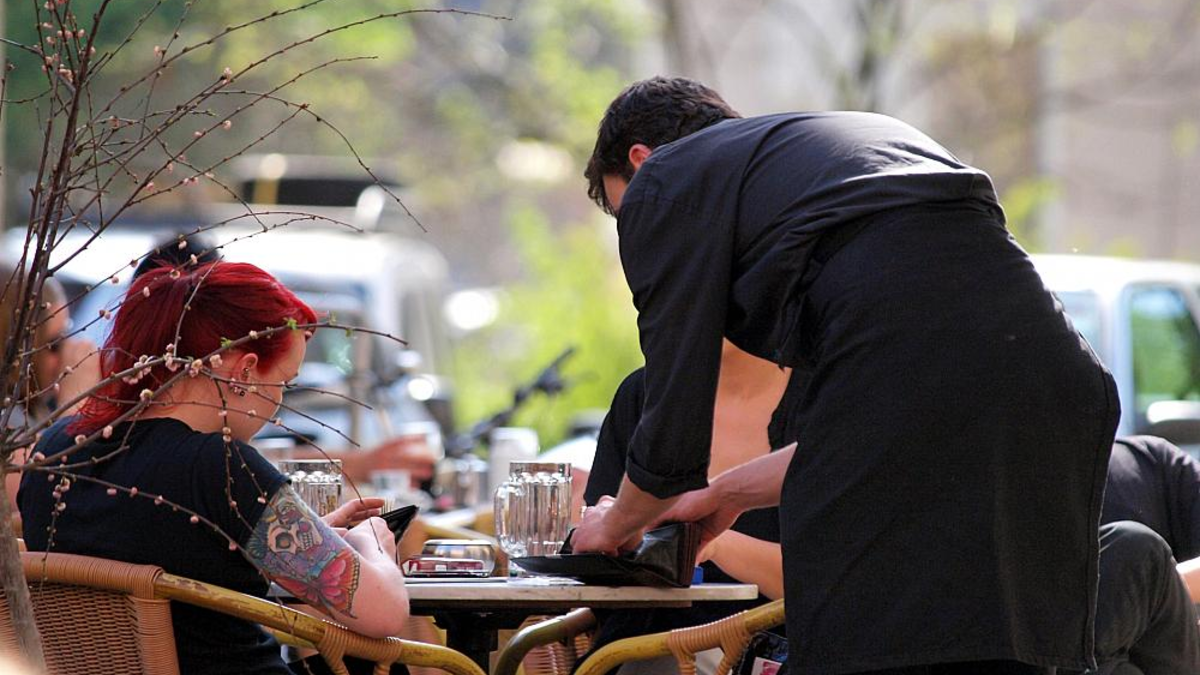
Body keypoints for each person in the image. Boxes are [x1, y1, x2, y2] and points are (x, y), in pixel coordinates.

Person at [570, 76, 1120, 674]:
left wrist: (615, 525)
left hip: (941, 380)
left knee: (858, 641)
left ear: (642, 162)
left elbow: (672, 411)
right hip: (1061, 375)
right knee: (992, 639)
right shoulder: (838, 154)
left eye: (626, 215)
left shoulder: (667, 183)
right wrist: (722, 497)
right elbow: (875, 423)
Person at [18, 260, 410, 675]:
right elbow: (384, 613)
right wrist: (372, 543)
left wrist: (312, 539)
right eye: (284, 381)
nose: (279, 400)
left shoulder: (55, 449)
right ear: (243, 371)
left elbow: (166, 545)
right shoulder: (220, 467)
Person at [583, 342, 789, 674]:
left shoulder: (823, 400)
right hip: (638, 646)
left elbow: (840, 581)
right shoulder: (644, 394)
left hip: (770, 655)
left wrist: (714, 544)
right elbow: (596, 559)